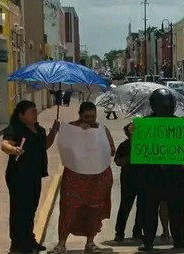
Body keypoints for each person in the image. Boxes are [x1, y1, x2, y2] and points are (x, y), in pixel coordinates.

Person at [51, 101, 115, 253]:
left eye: (93, 117)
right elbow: (64, 149)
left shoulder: (101, 129)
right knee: (68, 210)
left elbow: (111, 150)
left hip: (97, 179)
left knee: (94, 211)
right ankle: (61, 243)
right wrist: (78, 134)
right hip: (75, 178)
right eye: (86, 117)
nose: (90, 120)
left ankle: (90, 242)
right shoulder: (71, 128)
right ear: (80, 115)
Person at [137, 88, 184, 251]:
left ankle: (179, 240)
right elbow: (138, 147)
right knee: (149, 209)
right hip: (151, 174)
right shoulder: (144, 124)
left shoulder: (180, 125)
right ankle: (148, 241)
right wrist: (134, 132)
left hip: (175, 174)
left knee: (177, 209)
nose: (166, 109)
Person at [0, 100, 60, 253]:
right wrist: (13, 149)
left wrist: (53, 131)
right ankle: (18, 243)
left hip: (35, 174)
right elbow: (4, 144)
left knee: (31, 208)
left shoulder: (39, 129)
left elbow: (44, 145)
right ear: (21, 115)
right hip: (18, 176)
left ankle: (29, 238)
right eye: (31, 111)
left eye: (35, 110)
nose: (35, 113)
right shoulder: (16, 129)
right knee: (20, 209)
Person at [113, 123, 144, 241]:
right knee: (125, 206)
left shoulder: (143, 144)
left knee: (142, 207)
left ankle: (138, 230)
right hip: (128, 180)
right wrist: (129, 158)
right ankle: (119, 232)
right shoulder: (124, 146)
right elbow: (118, 161)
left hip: (143, 179)